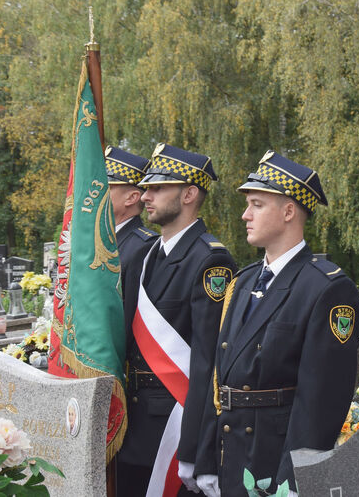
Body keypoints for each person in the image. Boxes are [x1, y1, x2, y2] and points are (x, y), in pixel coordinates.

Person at [193, 150, 359, 497]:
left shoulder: (326, 288)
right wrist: (208, 458)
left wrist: (292, 483)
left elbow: (320, 403)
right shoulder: (243, 282)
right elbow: (220, 380)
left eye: (256, 204)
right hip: (231, 457)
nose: (245, 215)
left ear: (288, 212)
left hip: (273, 465)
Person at [117, 143, 236, 497]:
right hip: (132, 425)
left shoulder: (211, 261)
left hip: (173, 425)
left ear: (188, 194)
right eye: (146, 188)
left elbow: (206, 362)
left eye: (158, 188)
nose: (146, 196)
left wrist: (194, 447)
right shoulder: (147, 254)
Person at [105, 145, 159, 335]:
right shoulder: (102, 240)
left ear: (132, 197)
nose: (95, 195)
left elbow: (130, 319)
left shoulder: (143, 247)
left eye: (105, 188)